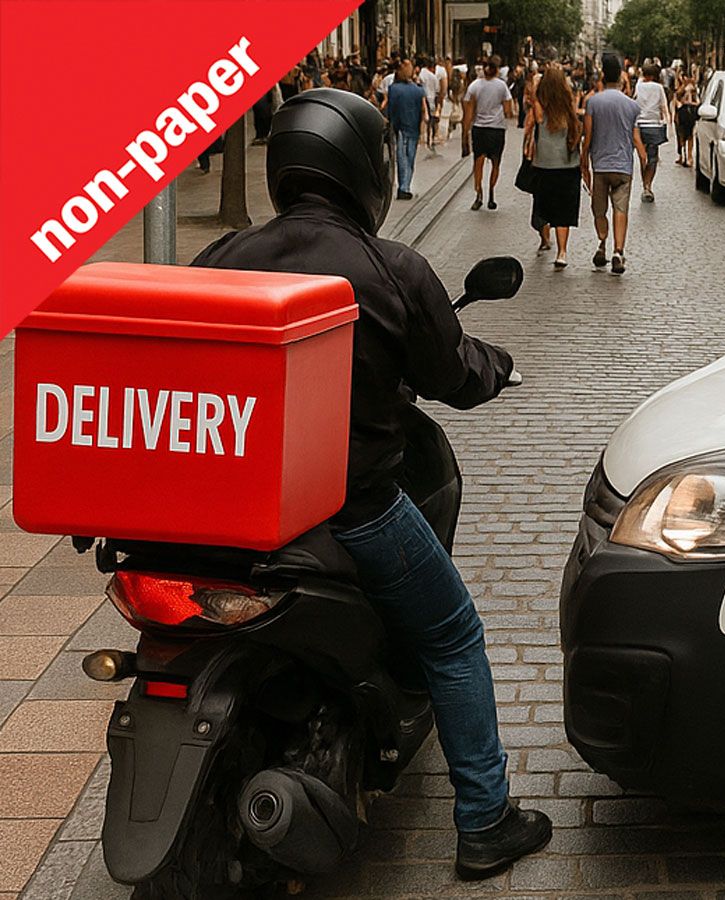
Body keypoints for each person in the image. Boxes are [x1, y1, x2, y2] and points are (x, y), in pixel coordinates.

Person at [190, 88, 551, 882]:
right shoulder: (391, 268)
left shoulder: (221, 257)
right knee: (453, 635)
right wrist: (496, 367)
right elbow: (451, 373)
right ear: (363, 165)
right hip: (351, 511)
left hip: (226, 512)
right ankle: (486, 819)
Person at [582, 54, 646, 275]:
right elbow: (636, 137)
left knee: (599, 210)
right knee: (621, 209)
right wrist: (644, 158)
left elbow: (588, 136)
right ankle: (618, 251)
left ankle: (602, 243)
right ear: (620, 75)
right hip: (623, 167)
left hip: (600, 166)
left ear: (602, 75)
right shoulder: (632, 106)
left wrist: (583, 159)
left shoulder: (592, 102)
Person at [526, 64, 584, 268]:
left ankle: (546, 239)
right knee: (564, 212)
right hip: (568, 165)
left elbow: (536, 113)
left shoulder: (540, 105)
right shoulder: (570, 105)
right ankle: (562, 252)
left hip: (544, 165)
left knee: (542, 207)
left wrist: (535, 86)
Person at [464, 60, 515, 210]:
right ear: (497, 70)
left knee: (478, 162)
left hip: (479, 128)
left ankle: (478, 194)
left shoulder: (474, 86)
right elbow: (508, 109)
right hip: (496, 129)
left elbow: (469, 109)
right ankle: (491, 192)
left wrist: (465, 131)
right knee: (495, 162)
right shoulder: (502, 86)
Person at [384, 59, 426, 200]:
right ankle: (405, 186)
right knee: (410, 157)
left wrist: (390, 126)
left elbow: (391, 110)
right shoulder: (418, 90)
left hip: (399, 127)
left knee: (401, 157)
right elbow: (422, 110)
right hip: (413, 127)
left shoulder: (393, 89)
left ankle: (403, 186)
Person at [633, 62, 670, 203]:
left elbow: (634, 101)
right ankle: (649, 185)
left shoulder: (639, 86)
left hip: (639, 125)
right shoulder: (659, 87)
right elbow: (663, 105)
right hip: (654, 125)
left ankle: (645, 185)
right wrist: (667, 121)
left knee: (643, 157)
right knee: (652, 158)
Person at [674, 72, 700, 167]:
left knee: (689, 136)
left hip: (689, 114)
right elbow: (677, 98)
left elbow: (697, 101)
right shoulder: (680, 90)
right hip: (682, 114)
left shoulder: (694, 90)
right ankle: (683, 155)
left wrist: (690, 102)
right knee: (681, 136)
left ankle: (688, 156)